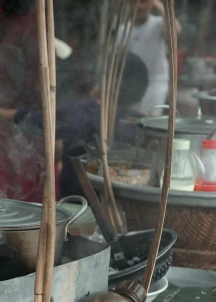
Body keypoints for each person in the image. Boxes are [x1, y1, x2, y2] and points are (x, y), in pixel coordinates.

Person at [11, 53, 149, 198]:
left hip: (76, 208)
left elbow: (32, 121)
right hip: (124, 209)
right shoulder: (143, 124)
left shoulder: (84, 111)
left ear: (108, 80)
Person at [0, 0, 71, 203]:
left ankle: (30, 234)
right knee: (23, 193)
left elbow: (47, 81)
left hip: (21, 121)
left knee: (27, 192)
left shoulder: (26, 20)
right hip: (14, 122)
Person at [122, 0, 181, 113]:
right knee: (132, 123)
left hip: (155, 84)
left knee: (150, 122)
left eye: (143, 2)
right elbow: (116, 59)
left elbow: (176, 32)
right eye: (135, 3)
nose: (139, 6)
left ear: (150, 5)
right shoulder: (123, 30)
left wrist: (160, 7)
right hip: (132, 86)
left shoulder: (158, 24)